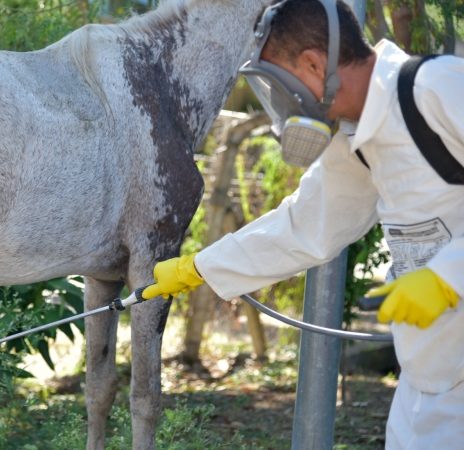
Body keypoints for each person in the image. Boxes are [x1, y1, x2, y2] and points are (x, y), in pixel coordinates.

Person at [141, 0, 464, 447]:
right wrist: (201, 268)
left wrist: (448, 278)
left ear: (314, 64)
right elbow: (304, 226)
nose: (281, 104)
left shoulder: (437, 87)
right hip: (430, 380)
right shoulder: (358, 138)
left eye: (280, 83)